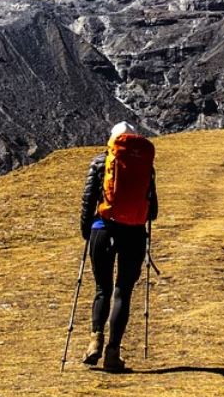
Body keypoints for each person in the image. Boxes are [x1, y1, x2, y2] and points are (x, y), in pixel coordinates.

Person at [78, 121, 158, 372]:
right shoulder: (146, 166)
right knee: (123, 291)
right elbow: (153, 211)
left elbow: (88, 200)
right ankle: (113, 352)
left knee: (102, 288)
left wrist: (87, 233)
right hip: (133, 234)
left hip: (102, 229)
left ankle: (95, 341)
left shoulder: (100, 162)